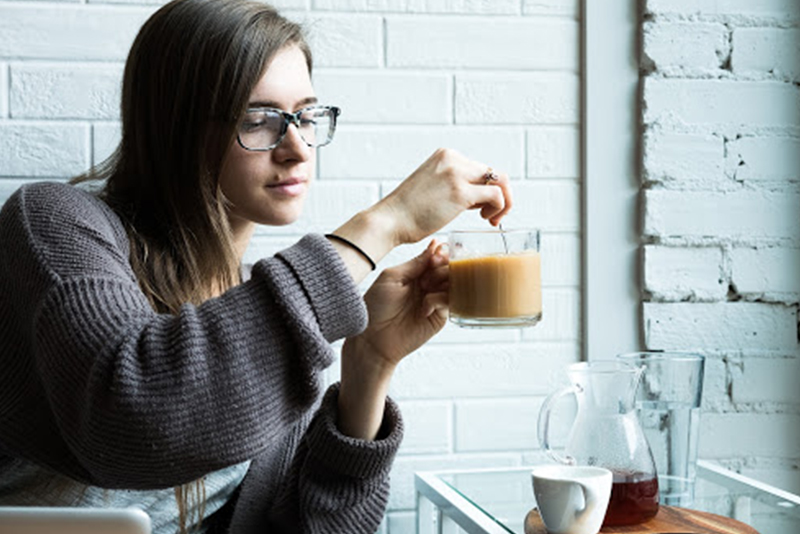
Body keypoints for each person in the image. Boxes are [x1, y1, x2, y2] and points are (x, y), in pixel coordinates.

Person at [0, 0, 512, 532]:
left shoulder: (261, 311)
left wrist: (369, 360)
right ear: (176, 128)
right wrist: (385, 223)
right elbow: (136, 418)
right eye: (259, 120)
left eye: (307, 116)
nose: (296, 148)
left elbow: (316, 526)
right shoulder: (52, 224)